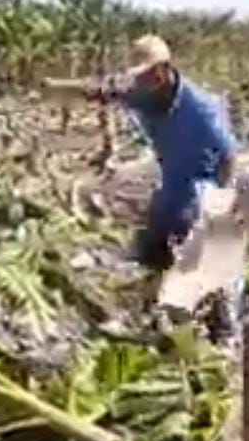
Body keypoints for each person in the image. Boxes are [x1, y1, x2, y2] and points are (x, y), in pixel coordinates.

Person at [85, 34, 239, 272]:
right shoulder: (147, 95)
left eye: (149, 74)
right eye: (140, 77)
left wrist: (219, 206)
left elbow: (229, 158)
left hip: (200, 188)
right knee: (150, 237)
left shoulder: (201, 110)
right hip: (170, 185)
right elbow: (114, 94)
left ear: (165, 70)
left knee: (189, 230)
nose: (144, 82)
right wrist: (94, 92)